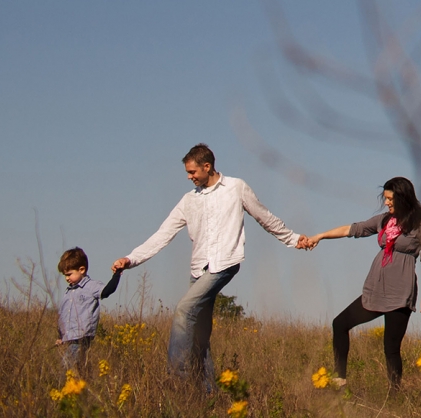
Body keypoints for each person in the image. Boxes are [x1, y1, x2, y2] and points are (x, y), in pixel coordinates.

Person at [110, 143, 310, 391]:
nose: (189, 177)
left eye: (192, 172)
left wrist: (293, 238)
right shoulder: (189, 200)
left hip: (224, 264)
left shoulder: (236, 187)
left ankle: (177, 379)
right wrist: (130, 259)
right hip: (199, 270)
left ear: (207, 166)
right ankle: (209, 393)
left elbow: (264, 216)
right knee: (199, 334)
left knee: (184, 309)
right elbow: (162, 235)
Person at [299, 176, 421, 390]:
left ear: (402, 197)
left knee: (391, 348)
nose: (386, 202)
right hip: (375, 289)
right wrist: (320, 236)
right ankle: (339, 379)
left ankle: (395, 395)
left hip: (400, 293)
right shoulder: (384, 221)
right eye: (385, 198)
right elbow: (352, 229)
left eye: (390, 199)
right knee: (340, 324)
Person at [54, 247, 123, 375]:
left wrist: (117, 275)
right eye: (65, 275)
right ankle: (86, 384)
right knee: (80, 370)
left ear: (82, 270)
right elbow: (63, 316)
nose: (67, 278)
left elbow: (107, 291)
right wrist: (60, 336)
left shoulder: (91, 286)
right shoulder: (68, 292)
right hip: (69, 338)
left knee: (66, 369)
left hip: (81, 337)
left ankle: (65, 386)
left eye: (69, 274)